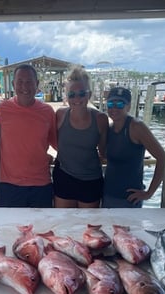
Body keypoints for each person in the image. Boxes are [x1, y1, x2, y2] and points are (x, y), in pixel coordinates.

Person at [0, 64, 57, 207]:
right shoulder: (3, 109)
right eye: (20, 82)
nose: (24, 86)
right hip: (9, 185)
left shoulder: (47, 111)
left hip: (41, 185)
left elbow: (59, 144)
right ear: (13, 84)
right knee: (8, 228)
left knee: (43, 228)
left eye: (29, 81)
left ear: (37, 84)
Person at [52, 65, 108, 208]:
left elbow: (103, 152)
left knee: (88, 226)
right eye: (72, 94)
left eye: (82, 93)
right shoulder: (60, 115)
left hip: (91, 180)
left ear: (89, 95)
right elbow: (53, 142)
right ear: (66, 96)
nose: (77, 98)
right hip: (64, 177)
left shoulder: (100, 119)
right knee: (64, 224)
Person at [102, 87, 165, 208]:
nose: (114, 108)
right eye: (110, 104)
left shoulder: (137, 127)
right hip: (107, 195)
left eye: (120, 104)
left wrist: (149, 193)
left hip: (129, 200)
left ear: (129, 106)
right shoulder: (108, 128)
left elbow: (162, 157)